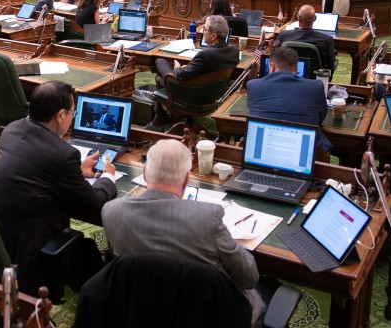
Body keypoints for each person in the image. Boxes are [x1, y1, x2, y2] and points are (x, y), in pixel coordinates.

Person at [102, 138, 274, 326]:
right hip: (211, 315)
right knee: (268, 286)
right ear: (186, 178)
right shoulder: (209, 218)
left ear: (144, 173)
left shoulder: (111, 211)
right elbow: (249, 278)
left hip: (141, 310)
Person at [0, 81, 117, 296]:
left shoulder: (13, 129)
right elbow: (94, 202)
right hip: (32, 245)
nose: (73, 117)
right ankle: (105, 301)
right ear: (61, 115)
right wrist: (108, 175)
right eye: (73, 112)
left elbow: (35, 165)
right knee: (86, 250)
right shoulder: (63, 154)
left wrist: (76, 171)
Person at [146, 15, 239, 130]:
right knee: (162, 76)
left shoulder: (205, 55)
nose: (202, 31)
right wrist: (189, 67)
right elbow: (203, 71)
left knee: (160, 64)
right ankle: (161, 118)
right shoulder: (234, 52)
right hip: (210, 95)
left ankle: (158, 121)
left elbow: (181, 75)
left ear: (214, 36)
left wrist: (178, 68)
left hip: (190, 96)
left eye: (205, 29)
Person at [245, 47, 332, 153]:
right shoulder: (316, 86)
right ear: (296, 69)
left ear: (271, 66)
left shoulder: (253, 85)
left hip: (264, 147)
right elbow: (321, 117)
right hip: (304, 150)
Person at [274, 4, 336, 72]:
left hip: (288, 77)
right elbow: (332, 66)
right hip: (314, 80)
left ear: (299, 18)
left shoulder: (283, 35)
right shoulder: (327, 40)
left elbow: (275, 57)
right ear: (315, 19)